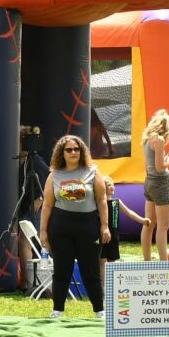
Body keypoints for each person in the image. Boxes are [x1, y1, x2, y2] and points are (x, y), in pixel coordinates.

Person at [40, 134, 109, 317]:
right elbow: (47, 205)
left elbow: (102, 200)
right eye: (68, 149)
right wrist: (43, 231)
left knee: (91, 271)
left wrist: (104, 226)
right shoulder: (54, 174)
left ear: (82, 151)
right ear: (62, 153)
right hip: (61, 227)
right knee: (62, 270)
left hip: (88, 226)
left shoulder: (92, 172)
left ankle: (99, 311)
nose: (73, 152)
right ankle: (57, 310)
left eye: (76, 149)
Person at [140, 109, 169, 262]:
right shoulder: (159, 140)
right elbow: (160, 167)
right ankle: (164, 263)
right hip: (160, 182)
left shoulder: (147, 138)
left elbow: (150, 165)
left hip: (149, 181)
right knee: (163, 226)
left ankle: (147, 261)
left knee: (148, 223)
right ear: (166, 127)